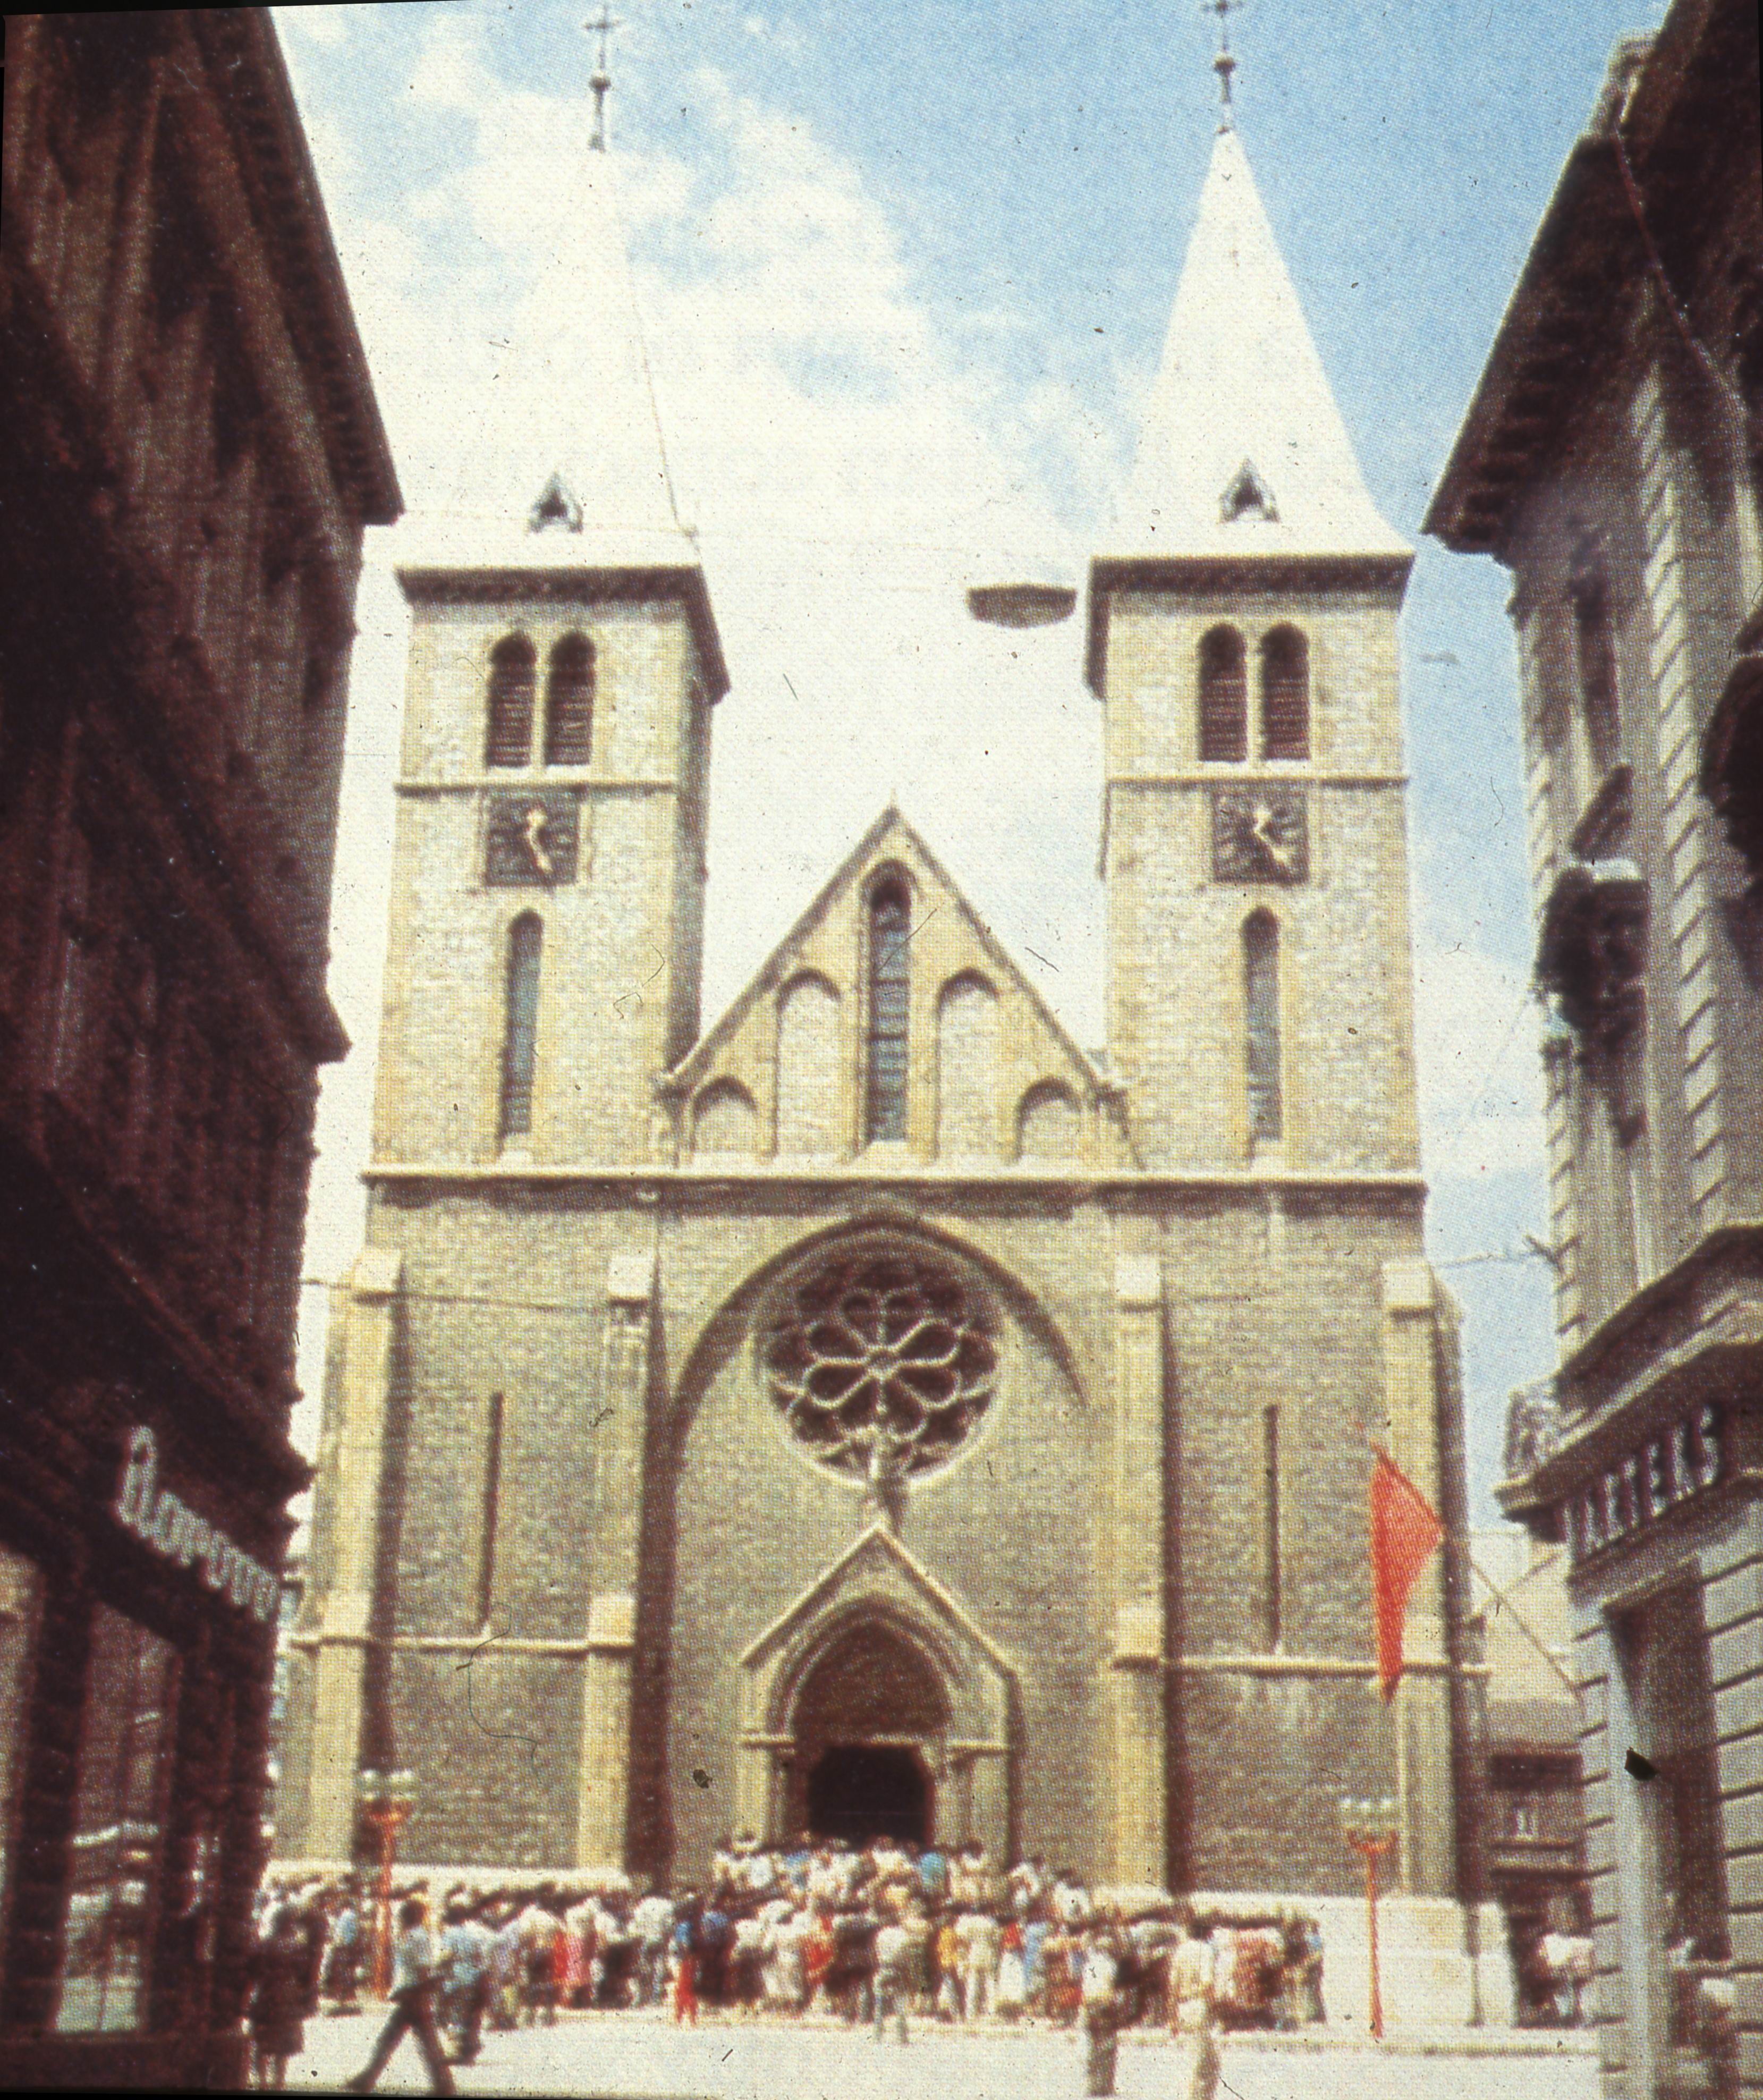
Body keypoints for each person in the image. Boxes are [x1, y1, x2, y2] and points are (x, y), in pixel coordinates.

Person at [344, 1896, 456, 2096]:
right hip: (411, 1993)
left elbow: (422, 1968)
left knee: (393, 2040)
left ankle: (367, 2079)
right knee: (423, 2043)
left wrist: (421, 1989)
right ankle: (443, 2084)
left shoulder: (417, 1936)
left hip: (413, 1994)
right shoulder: (413, 1935)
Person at [247, 1904, 308, 2089]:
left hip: (266, 1995)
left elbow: (252, 1972)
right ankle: (279, 2084)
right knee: (283, 2046)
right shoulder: (297, 1947)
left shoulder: (264, 1945)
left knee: (262, 2043)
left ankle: (262, 2083)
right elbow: (304, 1974)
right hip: (289, 1996)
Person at [1080, 1925, 1122, 2097]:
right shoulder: (1111, 1965)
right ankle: (1105, 2085)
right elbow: (1114, 1989)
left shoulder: (1089, 1965)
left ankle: (1092, 2085)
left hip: (1089, 2006)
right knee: (1108, 2047)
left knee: (1092, 2047)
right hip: (1105, 2007)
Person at [872, 1910, 914, 2044]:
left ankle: (877, 2035)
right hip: (899, 1969)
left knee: (880, 2002)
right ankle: (902, 2036)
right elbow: (907, 1953)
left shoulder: (881, 1934)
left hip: (883, 1968)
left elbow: (877, 1951)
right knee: (900, 2003)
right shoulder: (903, 1934)